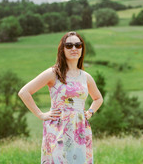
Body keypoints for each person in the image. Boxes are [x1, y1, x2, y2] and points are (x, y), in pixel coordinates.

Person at [18, 31, 103, 164]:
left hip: (80, 129)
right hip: (58, 129)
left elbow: (98, 98)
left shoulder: (86, 77)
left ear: (82, 48)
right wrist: (41, 114)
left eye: (77, 45)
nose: (74, 48)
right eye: (69, 45)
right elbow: (24, 92)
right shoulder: (54, 73)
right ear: (62, 49)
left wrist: (90, 112)